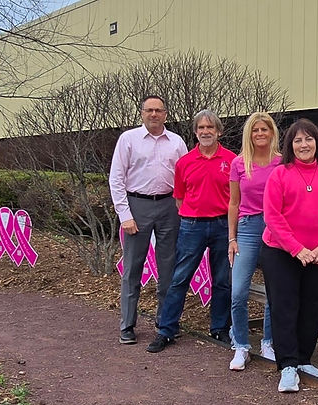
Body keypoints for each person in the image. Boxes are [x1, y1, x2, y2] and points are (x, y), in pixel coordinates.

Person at [261, 119, 318, 392]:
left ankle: (303, 359)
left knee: (312, 306)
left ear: (317, 142)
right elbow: (272, 217)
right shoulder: (280, 174)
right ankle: (287, 365)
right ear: (290, 145)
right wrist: (297, 249)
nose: (304, 144)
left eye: (308, 139)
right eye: (297, 140)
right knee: (284, 307)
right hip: (281, 253)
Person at [148, 109, 236, 353]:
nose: (205, 132)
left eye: (210, 127)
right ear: (195, 132)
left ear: (218, 131)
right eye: (201, 128)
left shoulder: (232, 160)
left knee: (222, 281)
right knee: (179, 279)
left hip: (222, 226)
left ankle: (219, 328)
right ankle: (166, 330)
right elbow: (179, 198)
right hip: (191, 226)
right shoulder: (185, 162)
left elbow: (236, 198)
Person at [109, 95, 187, 347]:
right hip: (137, 206)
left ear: (166, 114)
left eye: (159, 110)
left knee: (168, 269)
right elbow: (116, 179)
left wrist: (183, 208)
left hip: (168, 206)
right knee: (133, 268)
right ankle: (127, 325)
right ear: (142, 113)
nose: (154, 114)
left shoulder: (176, 142)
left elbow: (185, 177)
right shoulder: (128, 139)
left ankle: (164, 323)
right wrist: (125, 216)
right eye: (149, 110)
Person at [227, 112, 282, 370]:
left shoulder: (283, 163)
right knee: (238, 291)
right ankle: (240, 345)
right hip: (248, 228)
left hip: (275, 229)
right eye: (255, 130)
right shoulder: (239, 163)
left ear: (272, 132)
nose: (260, 134)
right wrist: (232, 238)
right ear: (249, 134)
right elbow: (234, 203)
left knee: (274, 291)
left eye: (265, 129)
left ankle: (268, 342)